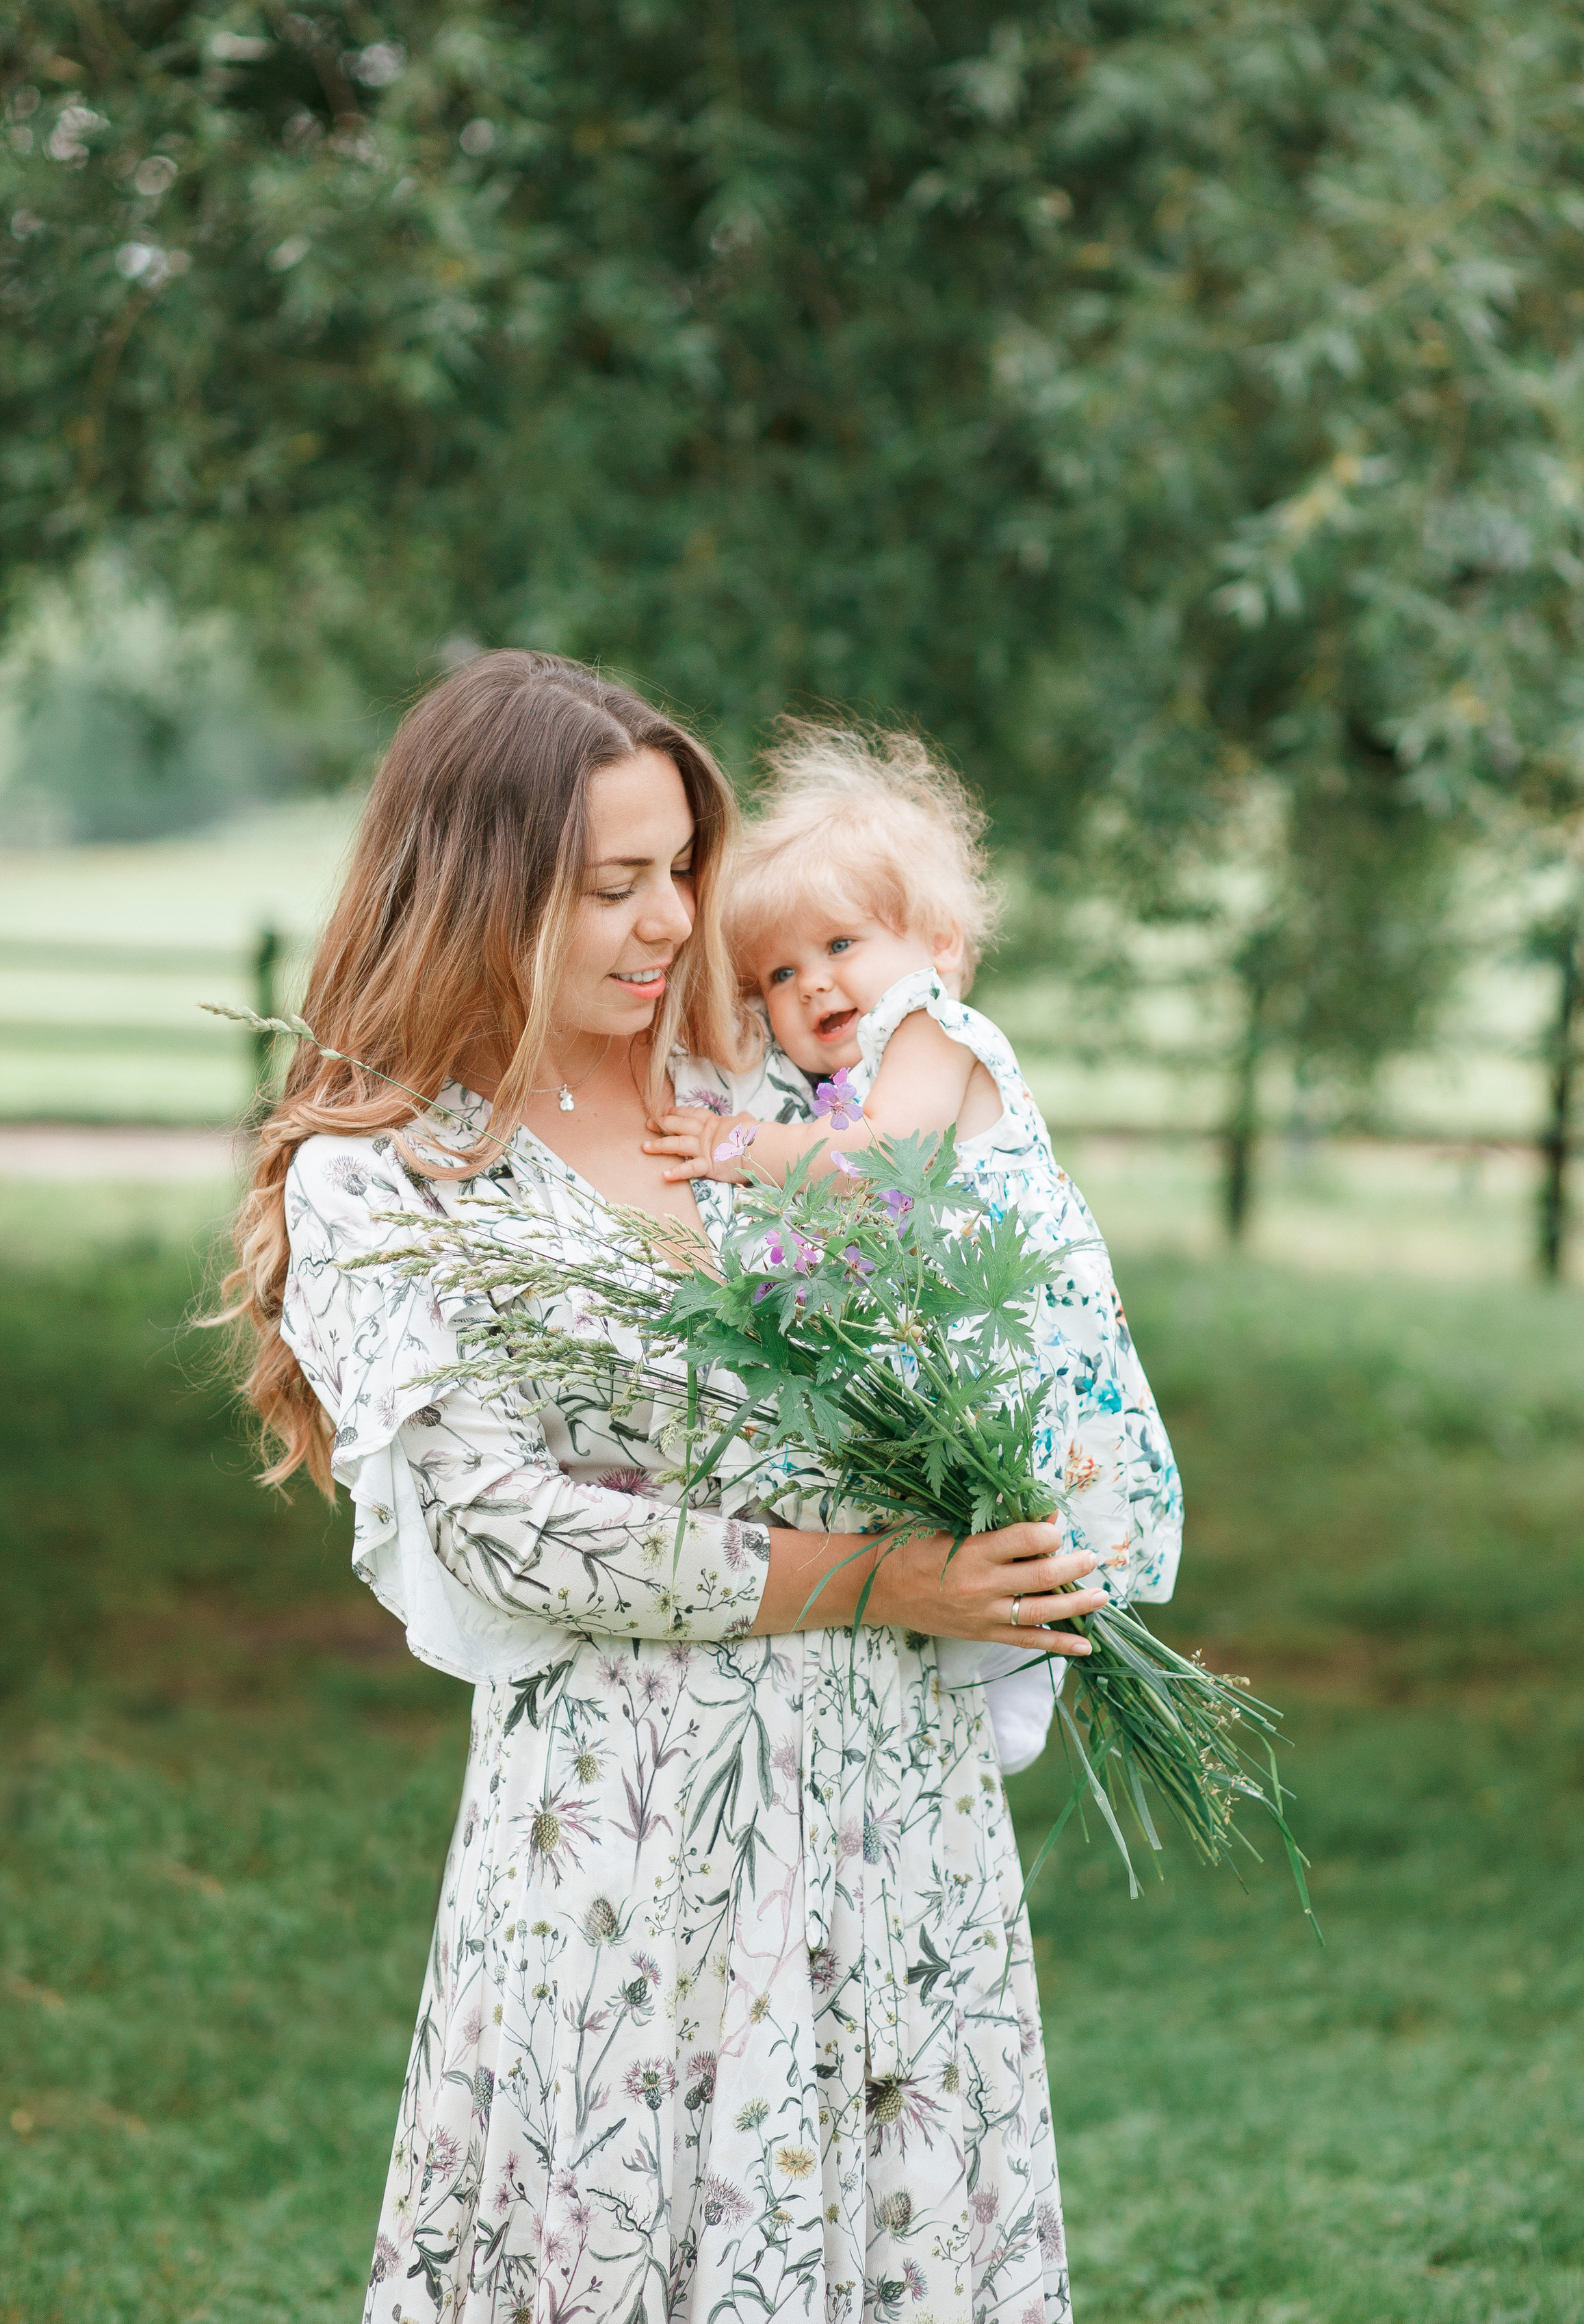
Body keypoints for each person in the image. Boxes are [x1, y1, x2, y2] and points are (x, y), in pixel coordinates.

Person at [221, 652, 1104, 2324]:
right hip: (631, 1839)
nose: (668, 922)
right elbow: (513, 1530)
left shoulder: (769, 1103)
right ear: (479, 892)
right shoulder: (390, 1178)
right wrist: (876, 1576)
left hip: (892, 1807)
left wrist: (1021, 1475)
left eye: (680, 870)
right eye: (609, 886)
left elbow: (987, 1279)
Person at [647, 722, 1184, 1781]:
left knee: (1036, 1495)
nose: (810, 988)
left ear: (940, 943)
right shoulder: (842, 1083)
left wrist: (737, 1147)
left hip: (1018, 1326)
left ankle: (1020, 1672)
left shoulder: (935, 1033)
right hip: (959, 1342)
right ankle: (985, 1658)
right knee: (978, 1500)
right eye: (778, 977)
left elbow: (876, 1162)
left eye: (842, 946)